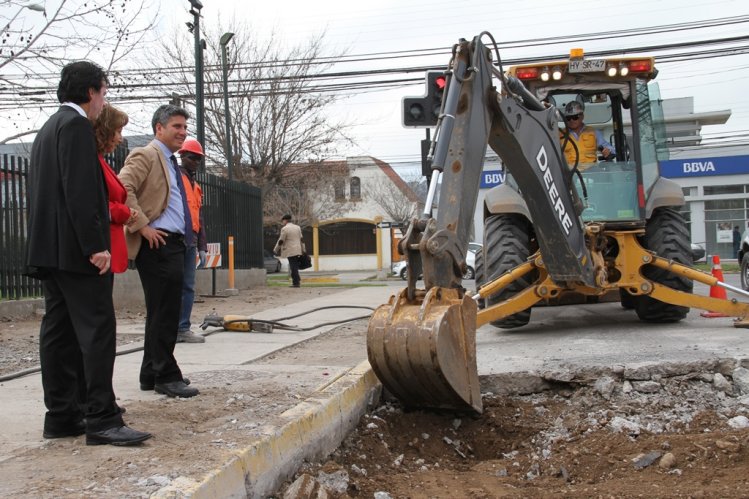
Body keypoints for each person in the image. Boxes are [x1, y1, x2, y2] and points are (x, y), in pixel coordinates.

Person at [25, 61, 151, 446]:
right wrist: (95, 246)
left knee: (58, 332)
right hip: (79, 252)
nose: (103, 102)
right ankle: (101, 417)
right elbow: (80, 191)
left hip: (51, 249)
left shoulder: (48, 128)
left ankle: (61, 415)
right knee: (97, 329)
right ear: (92, 91)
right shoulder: (77, 126)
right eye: (104, 92)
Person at [118, 104, 199, 398]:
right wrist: (141, 226)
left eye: (184, 127)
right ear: (159, 128)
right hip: (158, 243)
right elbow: (121, 188)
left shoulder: (169, 161)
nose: (183, 132)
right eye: (176, 126)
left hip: (174, 244)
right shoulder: (146, 154)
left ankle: (150, 373)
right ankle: (165, 374)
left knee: (162, 310)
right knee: (166, 311)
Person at [93, 105, 139, 275]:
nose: (120, 139)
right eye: (118, 131)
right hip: (101, 250)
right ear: (105, 131)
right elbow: (92, 203)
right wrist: (124, 212)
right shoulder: (94, 162)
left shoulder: (101, 161)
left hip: (108, 248)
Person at [176, 138, 208, 343]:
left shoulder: (195, 185)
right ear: (182, 156)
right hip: (177, 239)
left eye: (198, 159)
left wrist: (202, 246)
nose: (195, 161)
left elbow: (199, 216)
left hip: (191, 240)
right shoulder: (175, 177)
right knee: (175, 286)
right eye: (192, 157)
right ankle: (175, 327)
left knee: (188, 286)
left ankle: (182, 327)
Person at [560, 101, 615, 168]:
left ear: (582, 116)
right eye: (568, 118)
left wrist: (608, 150)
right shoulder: (559, 135)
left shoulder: (594, 132)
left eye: (575, 117)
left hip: (591, 174)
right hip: (569, 174)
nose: (571, 120)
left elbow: (611, 149)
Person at [274, 214, 305, 287]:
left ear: (285, 220)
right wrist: (303, 249)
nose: (282, 222)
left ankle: (296, 282)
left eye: (283, 220)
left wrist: (276, 249)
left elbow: (281, 240)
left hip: (290, 250)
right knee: (294, 265)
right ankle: (297, 280)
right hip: (298, 249)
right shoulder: (298, 227)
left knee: (293, 266)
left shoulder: (285, 229)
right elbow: (301, 239)